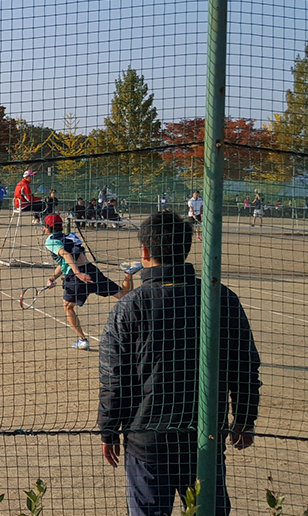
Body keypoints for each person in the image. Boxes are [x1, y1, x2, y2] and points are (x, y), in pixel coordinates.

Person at [99, 211, 260, 516]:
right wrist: (245, 418)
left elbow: (114, 378)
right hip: (203, 438)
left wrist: (108, 430)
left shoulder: (129, 306)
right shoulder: (221, 299)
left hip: (146, 440)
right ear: (187, 247)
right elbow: (245, 366)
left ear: (145, 251)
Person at [41, 214, 128, 350]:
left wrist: (78, 273)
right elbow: (65, 262)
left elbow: (66, 255)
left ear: (47, 227)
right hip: (91, 271)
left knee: (68, 307)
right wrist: (52, 277)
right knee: (123, 296)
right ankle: (129, 274)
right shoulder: (70, 237)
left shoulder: (50, 241)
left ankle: (83, 340)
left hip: (78, 277)